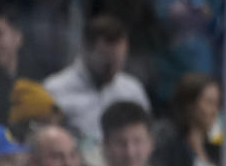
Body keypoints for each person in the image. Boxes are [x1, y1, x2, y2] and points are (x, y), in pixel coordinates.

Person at [43, 14, 150, 144]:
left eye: (119, 61)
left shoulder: (132, 90)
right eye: (107, 62)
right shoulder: (54, 90)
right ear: (85, 50)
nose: (113, 70)